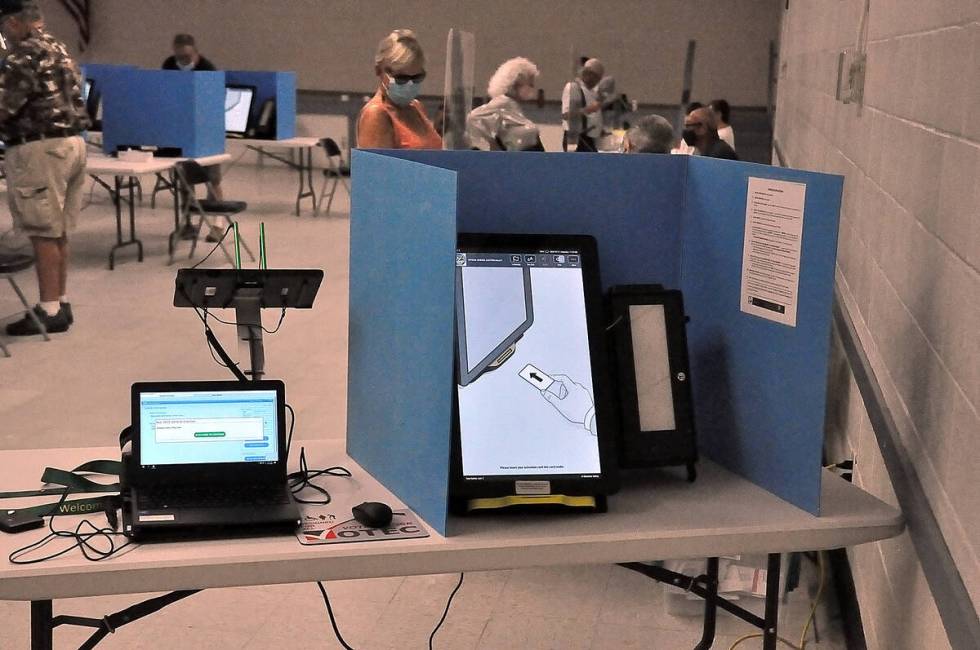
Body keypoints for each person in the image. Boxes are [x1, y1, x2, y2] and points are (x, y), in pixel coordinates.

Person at [0, 0, 88, 335]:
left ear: (12, 24)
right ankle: (60, 302)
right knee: (58, 229)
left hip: (40, 148)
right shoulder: (59, 47)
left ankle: (48, 309)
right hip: (72, 143)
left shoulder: (22, 55)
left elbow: (4, 106)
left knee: (42, 231)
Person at [357, 29, 442, 150]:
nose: (410, 84)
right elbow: (377, 168)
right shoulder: (376, 114)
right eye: (401, 78)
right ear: (378, 70)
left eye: (417, 77)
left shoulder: (417, 107)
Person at [465, 57, 543, 151]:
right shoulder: (502, 107)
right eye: (530, 84)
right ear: (516, 83)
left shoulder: (509, 107)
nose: (533, 89)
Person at [561, 58, 604, 152]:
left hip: (590, 140)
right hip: (578, 139)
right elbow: (567, 115)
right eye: (597, 77)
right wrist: (589, 109)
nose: (597, 81)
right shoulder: (574, 88)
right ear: (588, 73)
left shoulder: (592, 92)